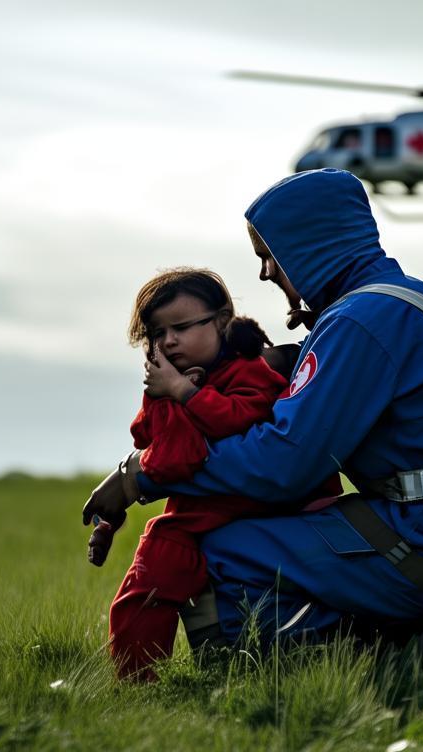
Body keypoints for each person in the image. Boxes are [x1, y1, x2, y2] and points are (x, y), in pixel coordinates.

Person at [84, 169, 423, 663]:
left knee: (219, 550)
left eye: (270, 256)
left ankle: (298, 674)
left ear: (307, 247)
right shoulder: (409, 301)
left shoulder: (358, 323)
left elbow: (283, 464)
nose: (265, 273)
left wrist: (141, 476)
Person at [89, 268, 336, 679]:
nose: (168, 341)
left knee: (223, 592)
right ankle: (138, 682)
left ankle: (231, 665)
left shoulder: (250, 370)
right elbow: (150, 442)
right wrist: (162, 397)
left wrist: (185, 393)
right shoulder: (170, 383)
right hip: (195, 515)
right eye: (157, 333)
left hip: (258, 507)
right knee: (144, 588)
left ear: (222, 321)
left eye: (181, 327)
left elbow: (241, 419)